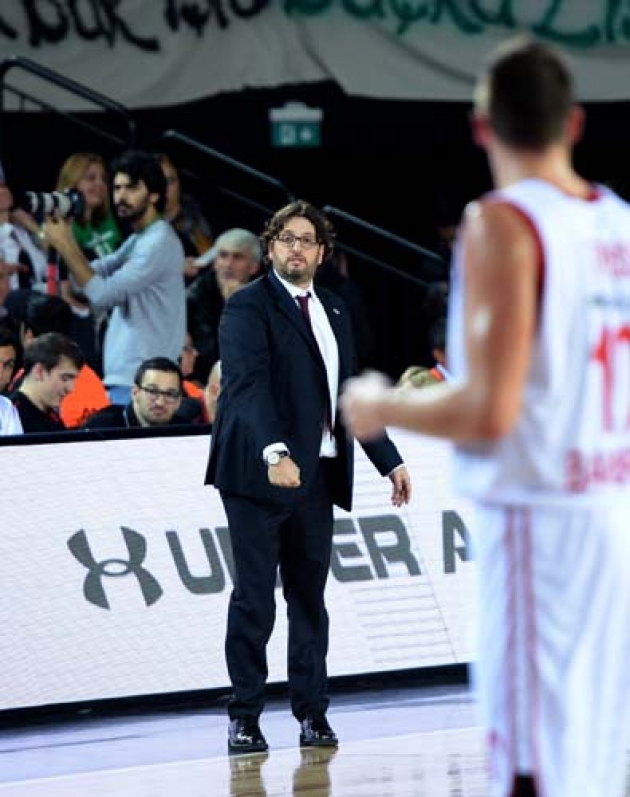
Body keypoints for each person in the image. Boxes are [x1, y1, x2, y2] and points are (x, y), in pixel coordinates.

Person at [340, 36, 630, 797]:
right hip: (611, 514)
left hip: (541, 523)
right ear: (574, 122)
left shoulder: (502, 223)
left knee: (531, 767)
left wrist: (380, 404)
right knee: (593, 765)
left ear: (480, 127)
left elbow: (488, 408)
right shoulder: (618, 223)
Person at [205, 200, 412, 755]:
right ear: (270, 246)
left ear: (322, 252)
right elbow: (246, 386)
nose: (296, 248)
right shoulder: (247, 306)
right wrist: (274, 451)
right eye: (286, 238)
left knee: (309, 601)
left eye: (306, 240)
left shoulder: (335, 309)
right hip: (256, 473)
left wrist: (387, 458)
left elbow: (347, 394)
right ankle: (244, 716)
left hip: (317, 475)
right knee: (255, 600)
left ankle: (312, 714)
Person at [40, 149, 186, 405]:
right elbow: (84, 281)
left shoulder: (158, 242)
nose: (121, 196)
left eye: (131, 188)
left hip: (143, 384)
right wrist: (68, 239)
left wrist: (64, 243)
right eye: (117, 188)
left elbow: (102, 294)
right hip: (131, 380)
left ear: (154, 194)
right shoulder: (137, 240)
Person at [186, 227, 262, 383]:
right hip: (201, 380)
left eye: (238, 257)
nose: (228, 264)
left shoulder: (266, 300)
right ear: (214, 263)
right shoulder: (193, 297)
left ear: (254, 267)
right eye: (223, 256)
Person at [84, 356, 202, 429]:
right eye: (152, 391)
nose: (160, 402)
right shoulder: (103, 426)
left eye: (170, 394)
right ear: (135, 393)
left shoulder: (185, 431)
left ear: (179, 401)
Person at [11, 332, 84, 433]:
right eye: (65, 378)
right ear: (39, 372)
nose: (71, 388)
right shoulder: (9, 417)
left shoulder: (53, 418)